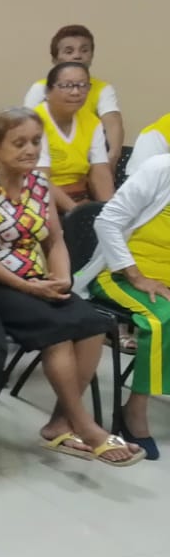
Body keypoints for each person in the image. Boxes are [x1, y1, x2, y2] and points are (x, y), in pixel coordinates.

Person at [0, 109, 136, 465]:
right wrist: (25, 287)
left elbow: (54, 240)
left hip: (36, 281)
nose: (30, 150)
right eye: (19, 143)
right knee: (57, 331)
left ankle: (59, 423)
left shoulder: (39, 183)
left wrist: (62, 278)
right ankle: (85, 426)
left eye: (36, 142)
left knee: (93, 325)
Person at [81, 150, 170, 460]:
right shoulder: (160, 169)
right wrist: (137, 276)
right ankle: (135, 409)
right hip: (121, 273)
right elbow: (107, 222)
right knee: (162, 318)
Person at [22, 25, 124, 167]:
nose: (77, 56)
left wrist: (112, 156)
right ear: (55, 59)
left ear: (91, 56)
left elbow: (112, 122)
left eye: (84, 50)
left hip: (87, 159)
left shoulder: (103, 89)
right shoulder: (40, 88)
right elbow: (25, 125)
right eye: (69, 51)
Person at [35, 61, 114, 211]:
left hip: (80, 197)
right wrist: (75, 212)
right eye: (67, 86)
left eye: (83, 85)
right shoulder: (34, 121)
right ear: (48, 91)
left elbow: (100, 171)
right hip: (42, 200)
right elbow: (40, 178)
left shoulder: (92, 121)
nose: (76, 92)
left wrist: (109, 212)